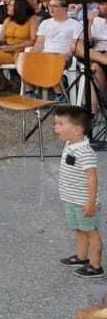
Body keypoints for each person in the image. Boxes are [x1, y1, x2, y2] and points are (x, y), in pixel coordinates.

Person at [54, 105, 102, 278]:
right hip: (72, 199)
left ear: (76, 130)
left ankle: (96, 266)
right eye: (55, 124)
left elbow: (92, 178)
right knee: (79, 230)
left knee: (91, 232)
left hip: (84, 203)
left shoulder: (85, 152)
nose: (55, 128)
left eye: (60, 124)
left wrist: (91, 203)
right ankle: (82, 257)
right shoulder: (70, 144)